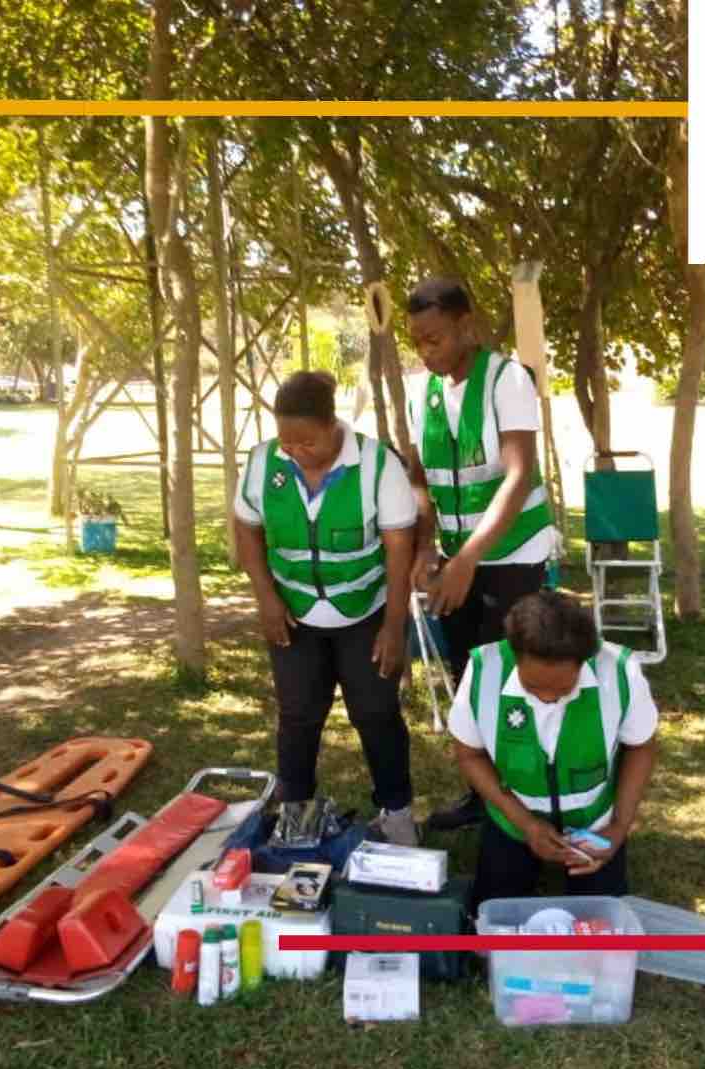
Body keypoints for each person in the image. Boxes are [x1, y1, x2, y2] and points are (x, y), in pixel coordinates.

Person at [233, 370, 420, 845]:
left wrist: (394, 626)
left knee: (376, 713)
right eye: (285, 440)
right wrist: (266, 598)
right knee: (297, 715)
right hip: (294, 615)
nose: (294, 449)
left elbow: (400, 549)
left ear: (333, 424)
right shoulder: (261, 463)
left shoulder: (379, 465)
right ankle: (297, 814)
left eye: (306, 441)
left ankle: (397, 815)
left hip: (365, 612)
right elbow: (247, 527)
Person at [405, 276, 555, 831]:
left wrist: (465, 559)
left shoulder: (506, 379)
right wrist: (426, 545)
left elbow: (518, 477)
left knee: (515, 678)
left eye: (436, 338)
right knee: (472, 676)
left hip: (513, 556)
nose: (426, 350)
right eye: (418, 340)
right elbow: (420, 477)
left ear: (467, 327)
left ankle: (527, 798)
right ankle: (485, 795)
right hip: (458, 557)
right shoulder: (423, 392)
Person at [447, 590, 658, 909]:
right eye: (533, 687)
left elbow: (641, 748)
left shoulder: (620, 672)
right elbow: (469, 754)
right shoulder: (482, 671)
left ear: (584, 661)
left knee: (600, 928)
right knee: (490, 926)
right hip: (513, 821)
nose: (547, 698)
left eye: (562, 689)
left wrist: (617, 829)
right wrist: (526, 824)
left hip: (595, 824)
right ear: (513, 655)